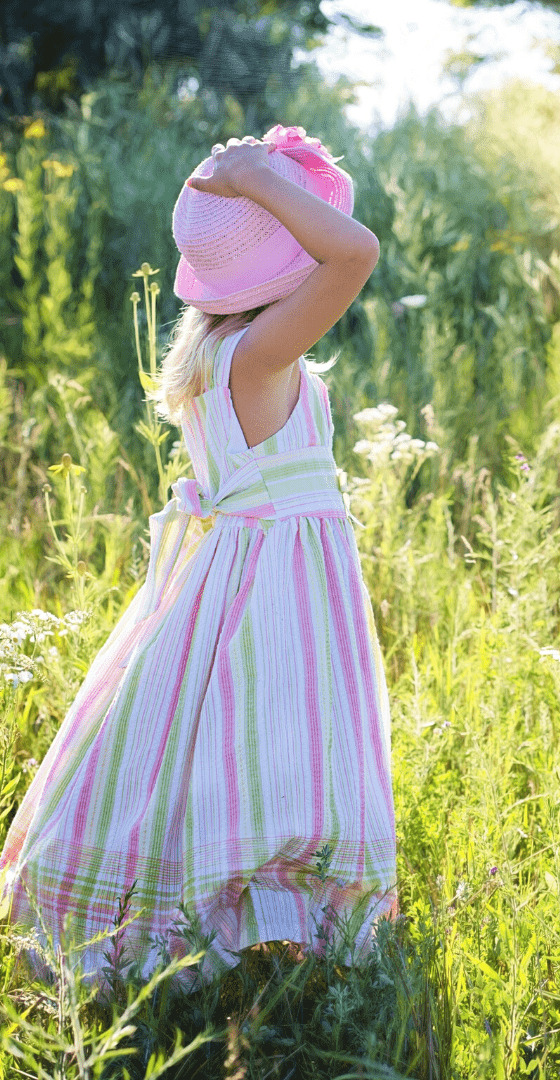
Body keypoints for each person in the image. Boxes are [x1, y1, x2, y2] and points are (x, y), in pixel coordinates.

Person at [0, 125, 398, 993]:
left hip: (237, 573)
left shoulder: (219, 355)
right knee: (278, 747)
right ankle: (267, 924)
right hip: (279, 584)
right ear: (287, 261)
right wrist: (257, 176)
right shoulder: (259, 357)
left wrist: (257, 186)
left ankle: (244, 925)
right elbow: (358, 254)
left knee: (209, 745)